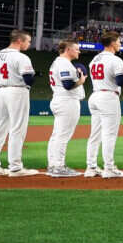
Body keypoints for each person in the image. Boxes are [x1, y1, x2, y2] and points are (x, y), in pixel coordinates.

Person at [0, 29, 37, 177]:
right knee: (17, 129)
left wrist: (2, 89)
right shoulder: (21, 57)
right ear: (19, 41)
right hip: (17, 91)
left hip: (1, 91)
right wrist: (34, 76)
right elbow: (28, 80)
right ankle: (15, 167)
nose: (29, 44)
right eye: (28, 41)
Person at [85, 31, 123, 178]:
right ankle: (109, 168)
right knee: (109, 134)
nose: (120, 44)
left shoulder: (94, 60)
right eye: (118, 41)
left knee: (95, 134)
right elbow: (121, 81)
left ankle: (91, 167)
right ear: (112, 43)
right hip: (108, 96)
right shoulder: (115, 60)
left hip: (95, 95)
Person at [45, 38, 86, 177]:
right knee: (62, 136)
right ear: (68, 50)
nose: (79, 51)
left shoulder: (57, 62)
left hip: (60, 99)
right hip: (67, 101)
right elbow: (68, 85)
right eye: (76, 48)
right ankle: (58, 166)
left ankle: (52, 165)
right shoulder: (64, 63)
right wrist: (81, 81)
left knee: (57, 135)